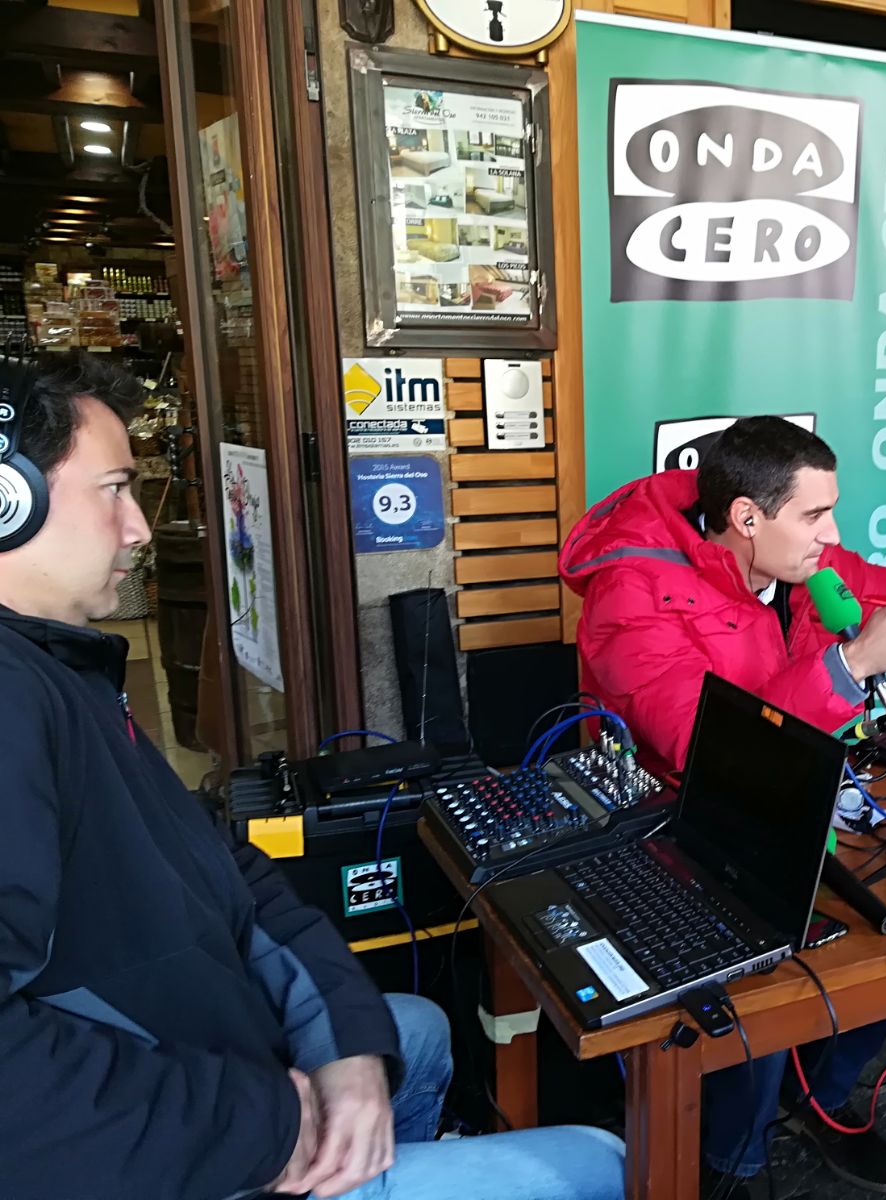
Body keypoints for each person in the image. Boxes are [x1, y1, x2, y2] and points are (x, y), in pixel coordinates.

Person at [0, 354, 625, 1200]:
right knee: (598, 1163)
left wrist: (343, 1041)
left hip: (207, 1065)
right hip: (188, 1143)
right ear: (8, 503)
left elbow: (230, 874)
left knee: (412, 1032)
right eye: (114, 489)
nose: (139, 528)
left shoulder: (62, 672)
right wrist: (264, 1125)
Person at [560, 416, 886, 1197]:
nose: (833, 536)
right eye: (815, 515)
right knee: (766, 988)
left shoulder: (804, 564)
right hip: (673, 822)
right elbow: (701, 745)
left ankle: (822, 1101)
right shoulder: (630, 590)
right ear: (746, 517)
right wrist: (851, 666)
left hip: (799, 799)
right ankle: (732, 1160)